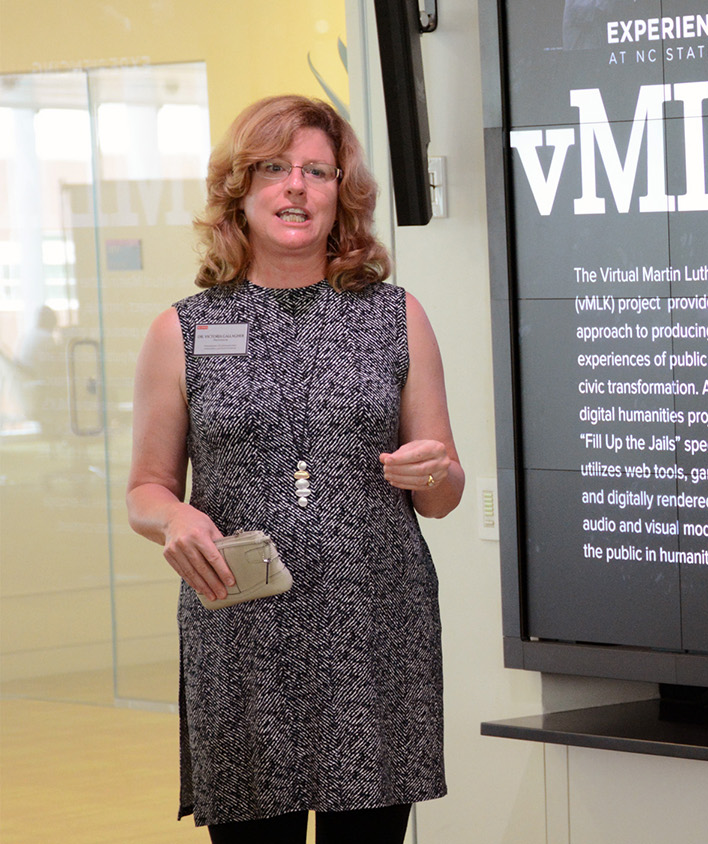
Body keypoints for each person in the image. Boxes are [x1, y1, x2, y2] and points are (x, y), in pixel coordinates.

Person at [126, 94, 463, 844]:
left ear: (341, 193)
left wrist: (429, 473)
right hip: (243, 636)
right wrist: (175, 516)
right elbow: (145, 491)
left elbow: (444, 493)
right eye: (274, 169)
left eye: (317, 170)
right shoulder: (184, 330)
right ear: (240, 192)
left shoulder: (396, 316)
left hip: (374, 630)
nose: (297, 187)